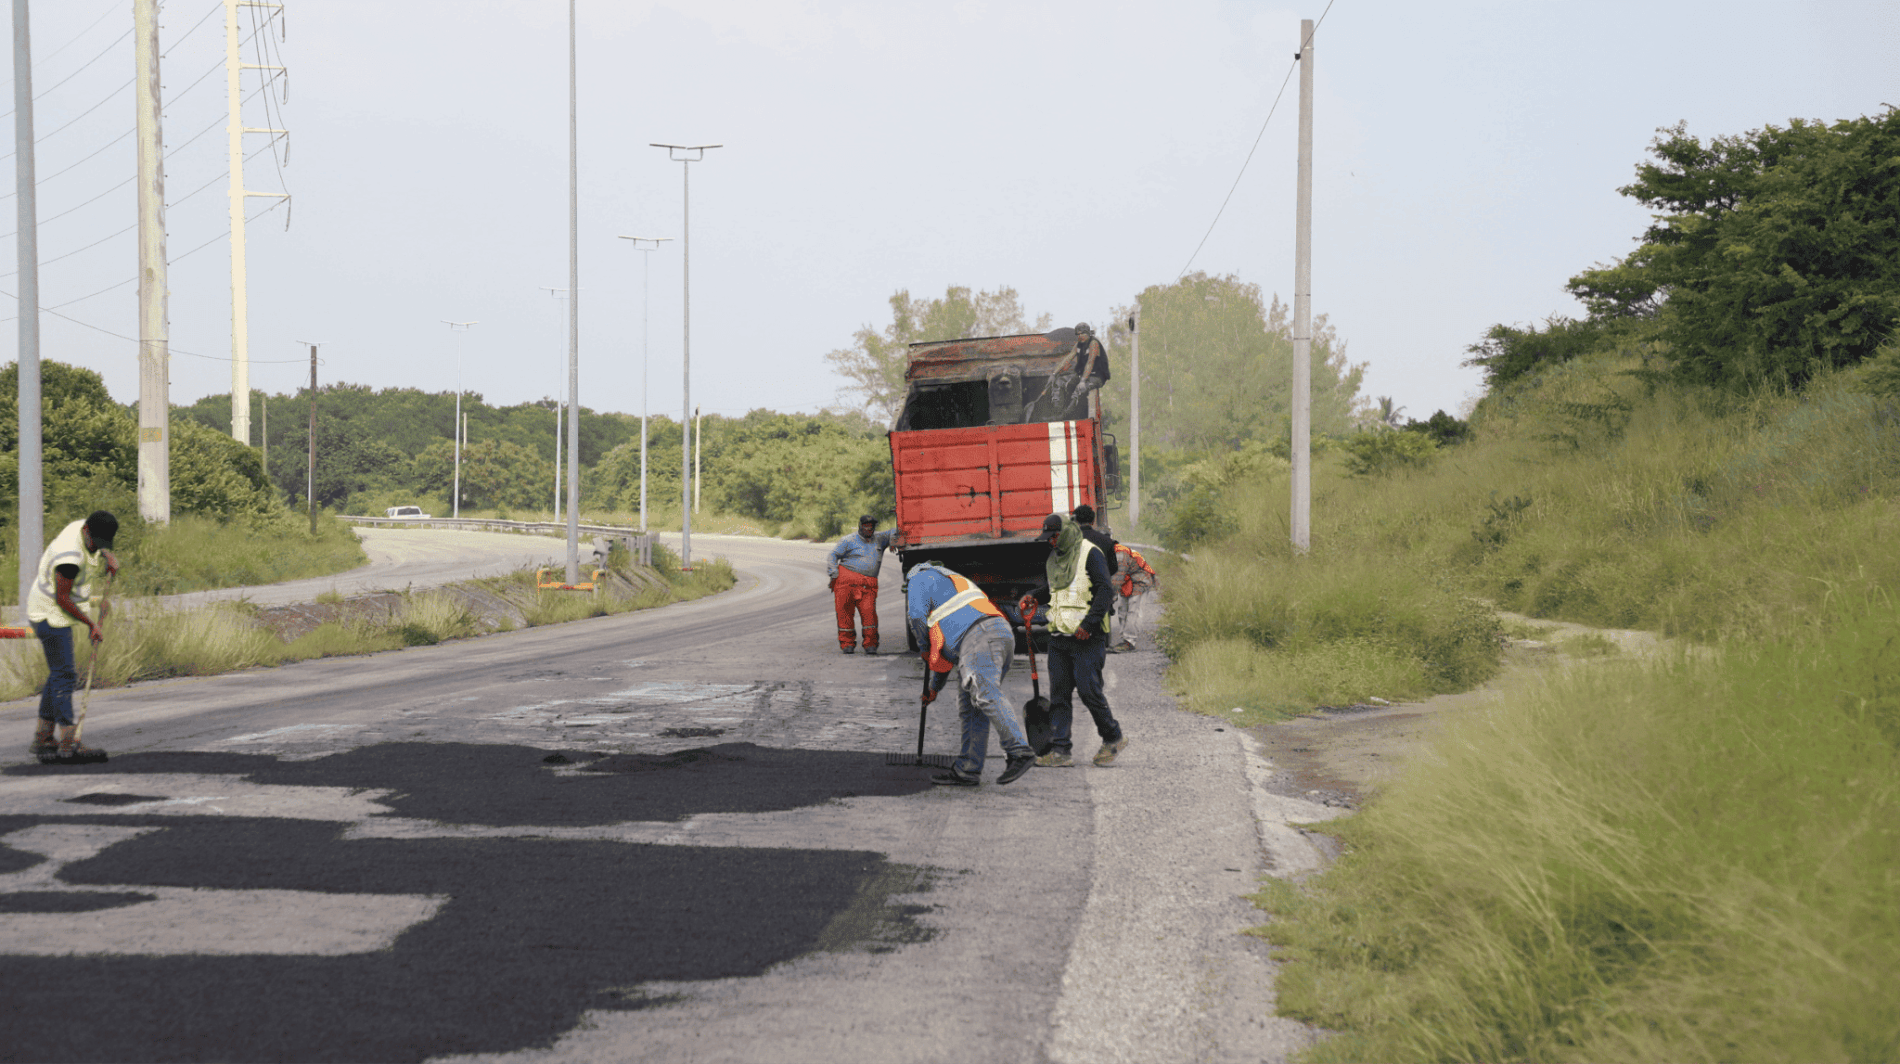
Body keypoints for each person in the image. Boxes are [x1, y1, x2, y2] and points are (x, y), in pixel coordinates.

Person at [907, 561, 1036, 786]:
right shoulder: (952, 586)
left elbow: (916, 617)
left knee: (985, 694)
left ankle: (1018, 751)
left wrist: (923, 647)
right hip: (998, 634)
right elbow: (944, 660)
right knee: (973, 706)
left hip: (979, 635)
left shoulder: (919, 578)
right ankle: (968, 769)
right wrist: (933, 690)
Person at [1019, 513, 1129, 768]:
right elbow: (1055, 589)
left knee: (1089, 691)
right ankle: (1060, 751)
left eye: (1055, 537)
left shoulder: (1090, 554)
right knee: (1059, 694)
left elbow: (1105, 590)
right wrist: (1035, 596)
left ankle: (1113, 737)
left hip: (1087, 637)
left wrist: (1089, 625)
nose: (1051, 543)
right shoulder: (1056, 558)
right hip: (1059, 636)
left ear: (1066, 533)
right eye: (1048, 538)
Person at [27, 510, 119, 764]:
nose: (97, 548)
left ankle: (44, 737)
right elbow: (62, 598)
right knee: (65, 674)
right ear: (86, 532)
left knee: (58, 672)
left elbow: (95, 547)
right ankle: (69, 739)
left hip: (55, 610)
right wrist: (92, 623)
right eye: (96, 543)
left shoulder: (83, 528)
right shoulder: (69, 556)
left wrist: (107, 556)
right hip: (49, 613)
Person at [828, 515, 895, 654]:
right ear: (860, 526)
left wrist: (894, 540)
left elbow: (896, 530)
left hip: (867, 585)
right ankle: (847, 644)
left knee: (869, 613)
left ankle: (870, 644)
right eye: (866, 526)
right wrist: (833, 572)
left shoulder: (880, 539)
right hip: (845, 582)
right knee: (844, 613)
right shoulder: (848, 540)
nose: (868, 528)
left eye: (871, 526)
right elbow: (833, 555)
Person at [1109, 543, 1158, 652]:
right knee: (1122, 610)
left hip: (1140, 580)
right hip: (1128, 581)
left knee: (1133, 611)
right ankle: (1124, 640)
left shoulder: (1120, 554)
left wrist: (1110, 598)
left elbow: (1117, 579)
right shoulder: (1110, 552)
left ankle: (1129, 641)